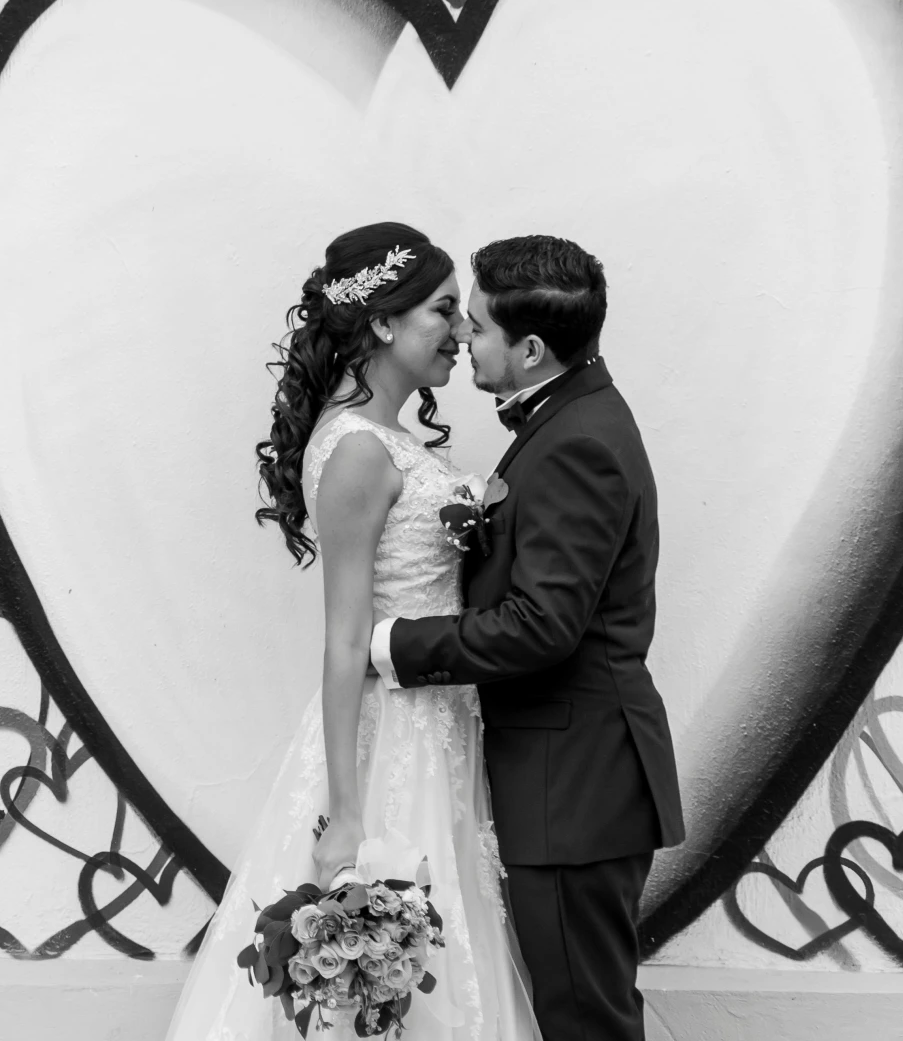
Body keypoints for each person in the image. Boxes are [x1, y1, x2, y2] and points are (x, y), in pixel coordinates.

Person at [164, 222, 539, 1040]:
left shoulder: (390, 439)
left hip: (440, 725)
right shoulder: (360, 451)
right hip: (393, 739)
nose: (463, 330)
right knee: (387, 969)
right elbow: (343, 639)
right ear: (380, 323)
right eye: (444, 311)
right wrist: (343, 812)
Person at [374, 235, 683, 1041]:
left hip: (575, 781)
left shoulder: (576, 440)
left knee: (584, 1018)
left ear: (531, 348)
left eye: (474, 326)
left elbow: (542, 625)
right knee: (580, 1007)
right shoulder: (567, 420)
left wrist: (396, 645)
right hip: (570, 779)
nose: (460, 339)